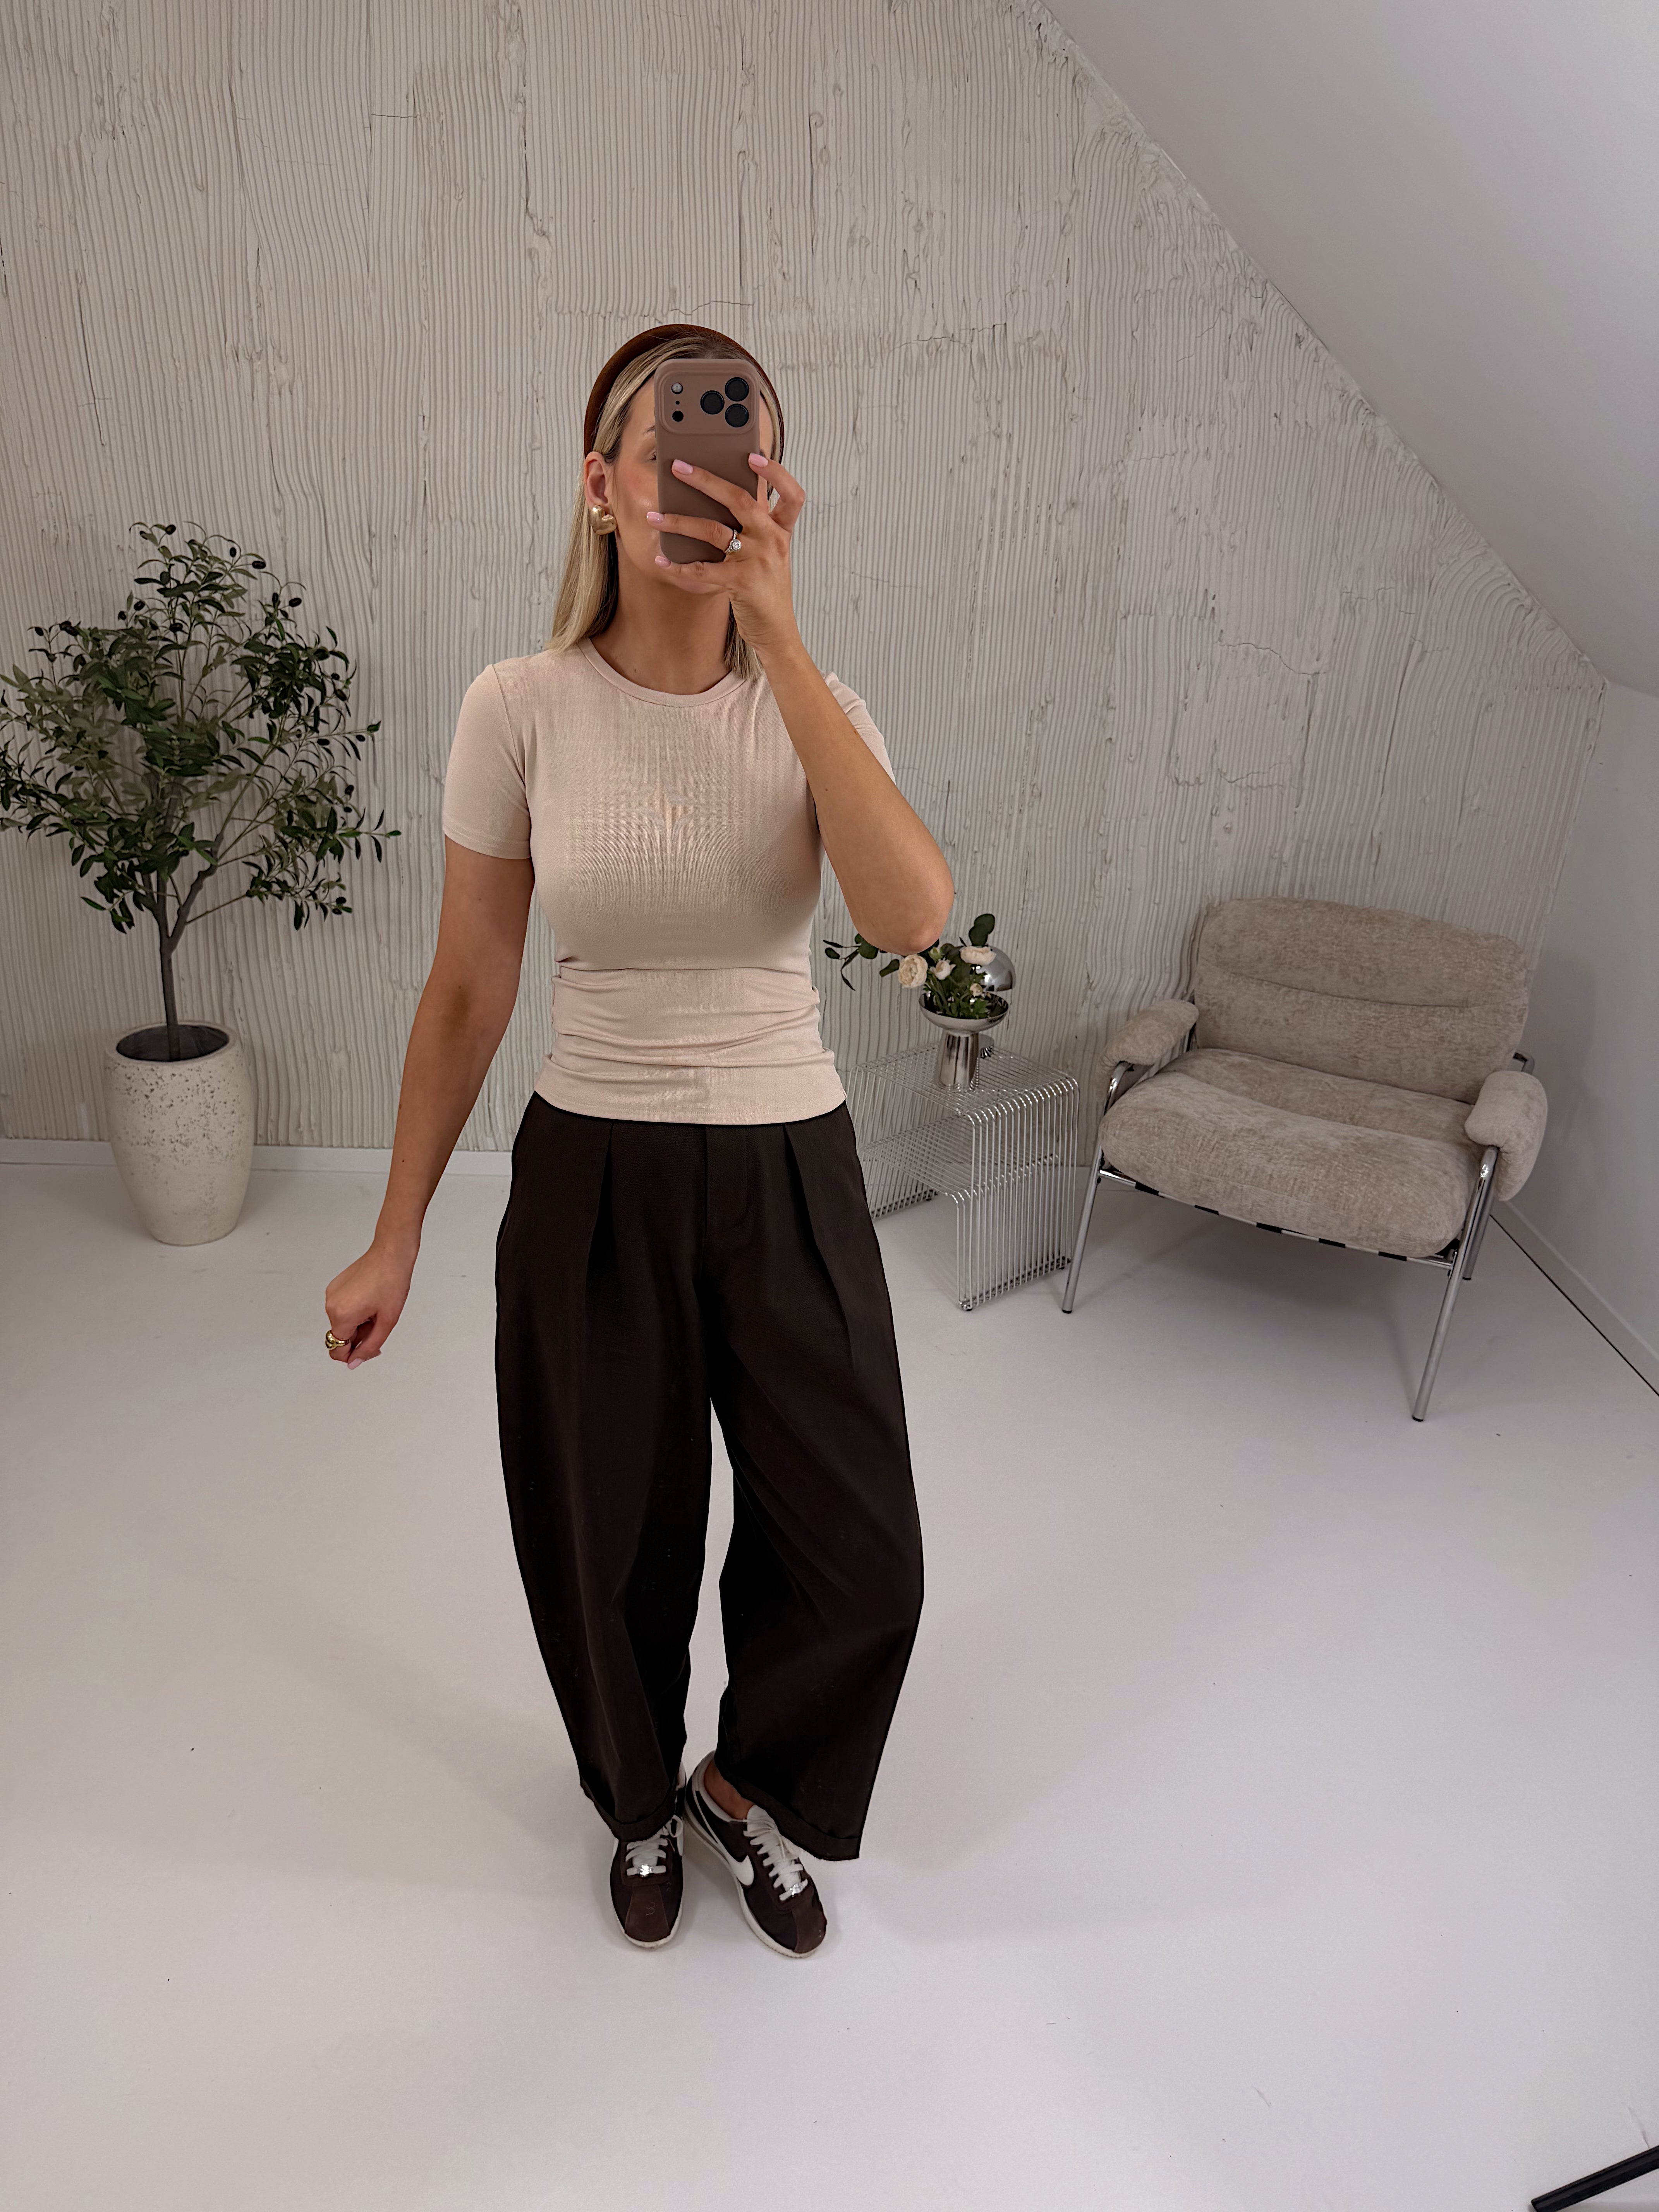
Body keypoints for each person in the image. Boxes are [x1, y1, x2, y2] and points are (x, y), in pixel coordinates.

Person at [322, 323, 954, 1958]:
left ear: (771, 491)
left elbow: (908, 918)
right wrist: (394, 1232)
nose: (701, 477)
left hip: (789, 1162)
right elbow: (469, 987)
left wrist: (781, 639)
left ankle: (742, 1791)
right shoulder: (519, 707)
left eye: (736, 450)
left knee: (865, 1560)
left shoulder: (817, 709)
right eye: (667, 447)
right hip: (592, 1170)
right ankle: (635, 1803)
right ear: (600, 486)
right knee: (606, 1536)